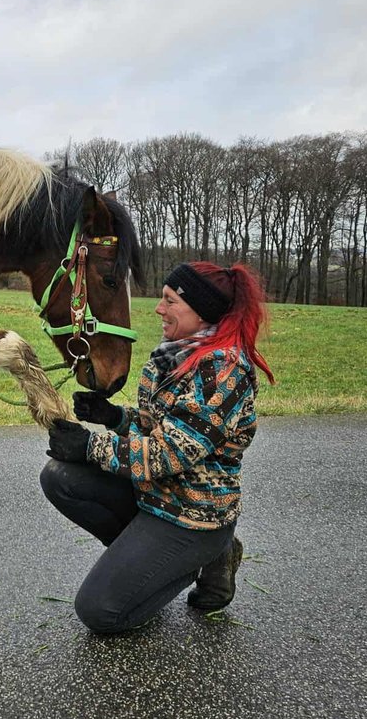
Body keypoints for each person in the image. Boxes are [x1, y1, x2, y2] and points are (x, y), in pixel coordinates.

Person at [41, 261, 275, 634]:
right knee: (59, 477)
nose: (158, 309)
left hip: (193, 516)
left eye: (169, 300)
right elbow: (160, 426)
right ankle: (150, 567)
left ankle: (207, 555)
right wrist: (114, 417)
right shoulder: (175, 353)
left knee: (99, 612)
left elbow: (170, 453)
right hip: (155, 495)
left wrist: (89, 446)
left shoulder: (222, 372)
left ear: (201, 311)